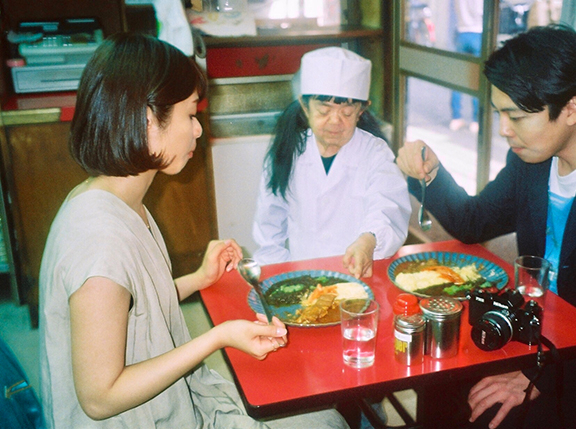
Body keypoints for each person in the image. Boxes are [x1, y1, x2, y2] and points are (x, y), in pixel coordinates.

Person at [38, 33, 348, 429]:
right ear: (148, 119)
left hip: (171, 403)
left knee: (312, 407)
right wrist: (216, 337)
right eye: (189, 115)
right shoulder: (101, 242)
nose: (198, 130)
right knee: (325, 421)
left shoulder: (110, 199)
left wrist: (199, 279)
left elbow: (134, 306)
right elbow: (100, 398)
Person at [397, 24, 576, 428]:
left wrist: (539, 373)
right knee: (438, 376)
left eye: (516, 117)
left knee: (494, 413)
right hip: (537, 331)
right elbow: (473, 222)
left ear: (572, 109)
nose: (504, 130)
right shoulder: (534, 158)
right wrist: (428, 174)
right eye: (499, 114)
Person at [252, 47, 411, 279]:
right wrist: (280, 277)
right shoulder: (287, 152)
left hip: (360, 276)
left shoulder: (375, 153)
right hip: (301, 277)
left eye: (347, 112)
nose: (335, 121)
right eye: (324, 110)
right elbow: (269, 230)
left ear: (361, 110)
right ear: (305, 107)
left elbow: (386, 208)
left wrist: (368, 240)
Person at [450, 0, 483, 133]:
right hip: (477, 33)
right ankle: (476, 121)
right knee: (476, 79)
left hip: (462, 33)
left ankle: (456, 117)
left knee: (459, 77)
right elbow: (481, 11)